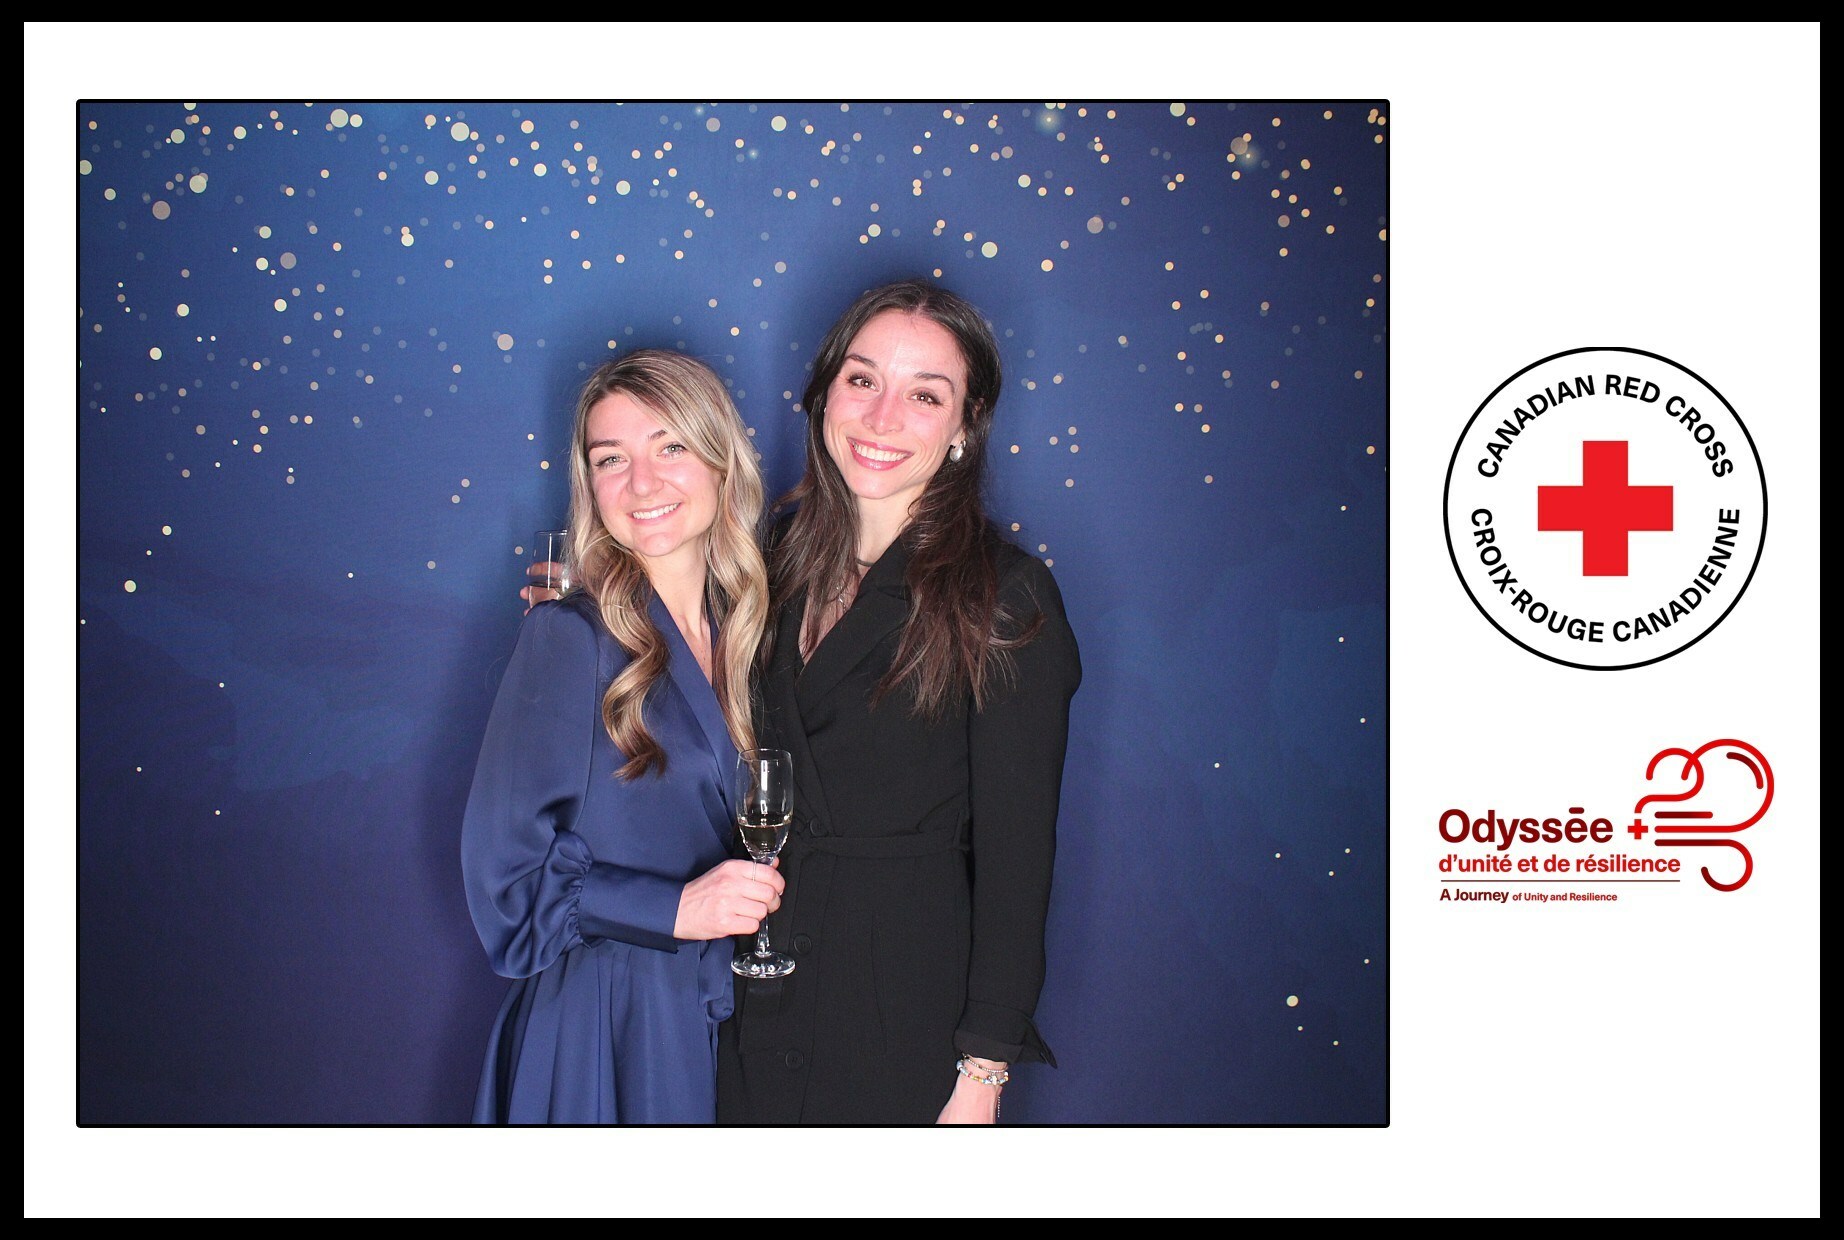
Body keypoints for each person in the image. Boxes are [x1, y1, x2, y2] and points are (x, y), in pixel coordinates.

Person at [716, 279, 1082, 1124]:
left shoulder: (1005, 596)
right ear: (823, 394)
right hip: (749, 992)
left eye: (925, 395)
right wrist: (587, 616)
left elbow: (1019, 858)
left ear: (966, 425)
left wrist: (983, 1072)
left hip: (901, 1014)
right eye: (862, 380)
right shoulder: (768, 559)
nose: (882, 418)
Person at [462, 350, 785, 1124]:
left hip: (724, 1016)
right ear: (590, 484)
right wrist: (674, 909)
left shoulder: (750, 633)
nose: (642, 483)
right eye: (612, 458)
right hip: (603, 1025)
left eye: (670, 446)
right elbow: (504, 881)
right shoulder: (567, 636)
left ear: (722, 460)